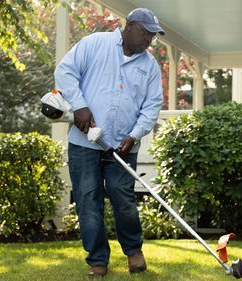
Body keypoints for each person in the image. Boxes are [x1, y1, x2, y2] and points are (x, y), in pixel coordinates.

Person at [54, 7, 164, 277]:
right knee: (87, 199)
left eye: (153, 35)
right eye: (147, 33)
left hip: (123, 145)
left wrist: (135, 134)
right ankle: (97, 260)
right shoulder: (95, 44)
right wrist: (79, 106)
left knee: (122, 197)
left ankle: (134, 251)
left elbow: (152, 105)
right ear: (130, 27)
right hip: (84, 143)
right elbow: (65, 72)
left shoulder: (149, 66)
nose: (150, 40)